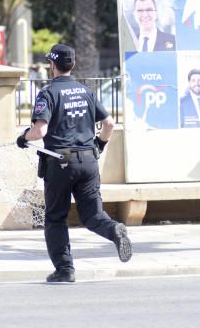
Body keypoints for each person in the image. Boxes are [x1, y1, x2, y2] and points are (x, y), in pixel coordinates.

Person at [16, 43, 132, 283]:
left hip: (60, 163)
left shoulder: (48, 93)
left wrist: (23, 137)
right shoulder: (85, 91)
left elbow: (40, 131)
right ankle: (114, 230)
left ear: (52, 65)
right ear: (73, 64)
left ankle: (65, 269)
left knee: (56, 217)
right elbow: (109, 124)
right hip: (89, 160)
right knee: (92, 215)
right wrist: (99, 145)